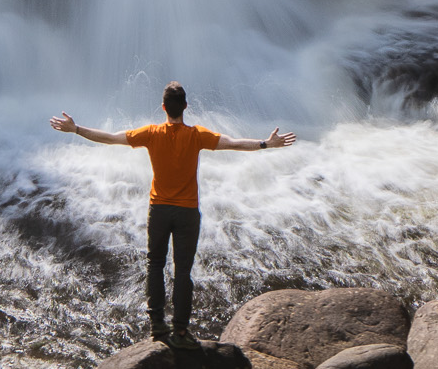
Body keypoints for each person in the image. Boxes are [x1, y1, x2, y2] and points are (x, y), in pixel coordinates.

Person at [51, 83, 296, 345]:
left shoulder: (151, 133)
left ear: (164, 107)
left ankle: (157, 326)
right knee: (183, 272)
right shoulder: (197, 135)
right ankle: (180, 329)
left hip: (159, 210)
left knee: (155, 265)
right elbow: (234, 143)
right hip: (187, 212)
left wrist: (76, 129)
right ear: (186, 108)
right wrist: (265, 144)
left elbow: (111, 138)